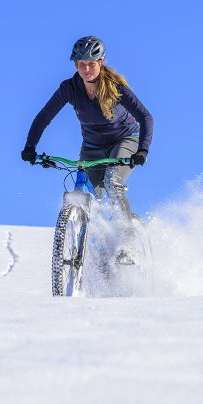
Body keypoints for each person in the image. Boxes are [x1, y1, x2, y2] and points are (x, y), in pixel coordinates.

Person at [21, 36, 153, 261]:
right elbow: (44, 116)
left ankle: (128, 240)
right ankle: (100, 251)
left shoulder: (115, 87)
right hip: (92, 146)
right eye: (81, 64)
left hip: (124, 140)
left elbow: (145, 116)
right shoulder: (69, 88)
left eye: (91, 63)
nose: (86, 69)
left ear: (101, 62)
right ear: (76, 65)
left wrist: (142, 150)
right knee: (90, 196)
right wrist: (30, 146)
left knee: (113, 182)